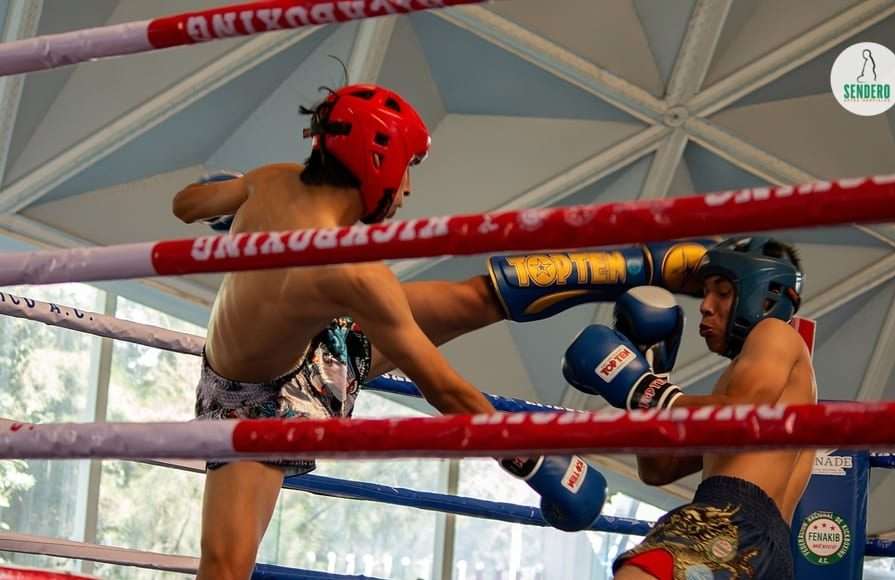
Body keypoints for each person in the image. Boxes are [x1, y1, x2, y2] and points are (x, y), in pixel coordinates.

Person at [172, 83, 607, 580]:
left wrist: (233, 204)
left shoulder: (272, 179)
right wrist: (531, 460)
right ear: (378, 164)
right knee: (225, 569)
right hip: (258, 407)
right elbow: (443, 388)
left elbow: (185, 205)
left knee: (470, 300)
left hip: (320, 346)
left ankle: (618, 270)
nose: (408, 188)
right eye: (408, 168)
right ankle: (623, 268)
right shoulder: (353, 272)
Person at [562, 236, 817, 579]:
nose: (705, 306)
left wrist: (644, 389)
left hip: (730, 521)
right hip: (766, 552)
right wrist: (653, 380)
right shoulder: (744, 389)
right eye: (705, 293)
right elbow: (659, 470)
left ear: (765, 296)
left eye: (722, 293)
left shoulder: (776, 333)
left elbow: (742, 413)